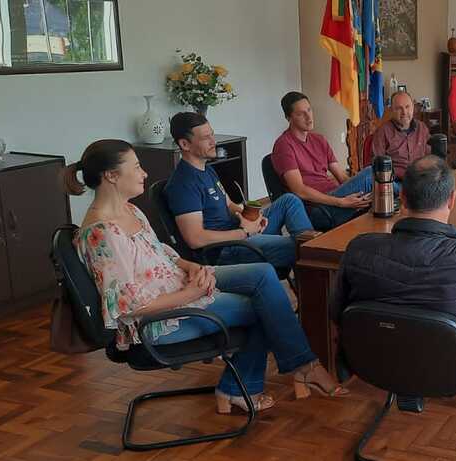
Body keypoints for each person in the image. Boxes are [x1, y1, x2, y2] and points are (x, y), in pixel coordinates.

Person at [63, 140, 346, 415]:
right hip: (158, 321)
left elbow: (162, 253)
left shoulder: (130, 209)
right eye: (136, 167)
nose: (144, 173)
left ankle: (267, 379)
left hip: (182, 284)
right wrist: (193, 293)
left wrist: (190, 267)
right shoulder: (102, 233)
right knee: (267, 306)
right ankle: (274, 377)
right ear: (111, 176)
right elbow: (130, 307)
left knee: (263, 276)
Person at [335, 155, 456, 395]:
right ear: (452, 199)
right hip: (450, 369)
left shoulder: (358, 248)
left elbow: (336, 311)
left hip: (376, 361)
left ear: (403, 198)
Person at [163, 112, 313, 273]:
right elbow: (195, 239)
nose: (214, 142)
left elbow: (229, 204)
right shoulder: (184, 184)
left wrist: (253, 217)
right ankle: (312, 257)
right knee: (300, 247)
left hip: (240, 231)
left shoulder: (207, 169)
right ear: (185, 144)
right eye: (206, 138)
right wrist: (244, 232)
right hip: (225, 250)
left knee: (289, 201)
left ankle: (311, 252)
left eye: (212, 134)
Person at [272, 91, 398, 230]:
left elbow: (342, 176)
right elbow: (299, 190)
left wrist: (357, 193)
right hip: (319, 210)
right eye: (301, 114)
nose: (309, 117)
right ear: (288, 117)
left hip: (336, 197)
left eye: (309, 110)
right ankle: (406, 195)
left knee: (377, 189)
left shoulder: (319, 140)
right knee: (374, 172)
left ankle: (401, 199)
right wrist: (341, 202)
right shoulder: (284, 145)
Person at [371, 91, 429, 180]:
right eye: (399, 108)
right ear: (391, 110)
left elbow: (430, 158)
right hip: (394, 183)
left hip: (420, 181)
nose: (404, 112)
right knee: (367, 175)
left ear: (413, 107)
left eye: (407, 107)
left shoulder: (422, 128)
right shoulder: (383, 132)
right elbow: (376, 165)